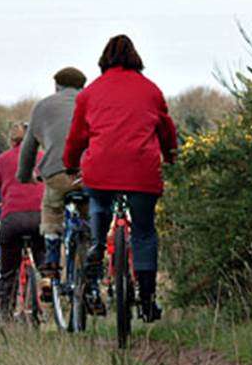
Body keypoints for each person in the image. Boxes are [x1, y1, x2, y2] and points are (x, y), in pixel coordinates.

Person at [63, 35, 177, 321]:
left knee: (99, 212)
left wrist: (69, 164)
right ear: (136, 58)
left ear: (104, 61)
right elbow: (166, 130)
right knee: (144, 232)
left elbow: (77, 136)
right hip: (142, 171)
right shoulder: (151, 90)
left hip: (101, 170)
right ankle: (148, 300)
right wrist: (171, 156)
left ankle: (95, 262)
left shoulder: (89, 93)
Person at [17, 67, 88, 273]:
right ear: (82, 86)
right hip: (88, 173)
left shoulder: (42, 107)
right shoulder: (91, 102)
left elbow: (29, 148)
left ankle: (53, 256)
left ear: (57, 85)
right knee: (91, 215)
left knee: (51, 207)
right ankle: (92, 273)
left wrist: (24, 175)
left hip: (57, 172)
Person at [0, 123, 46, 319]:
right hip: (40, 216)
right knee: (42, 253)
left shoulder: (2, 160)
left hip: (12, 220)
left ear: (11, 141)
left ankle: (5, 316)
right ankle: (48, 280)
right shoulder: (42, 159)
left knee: (8, 272)